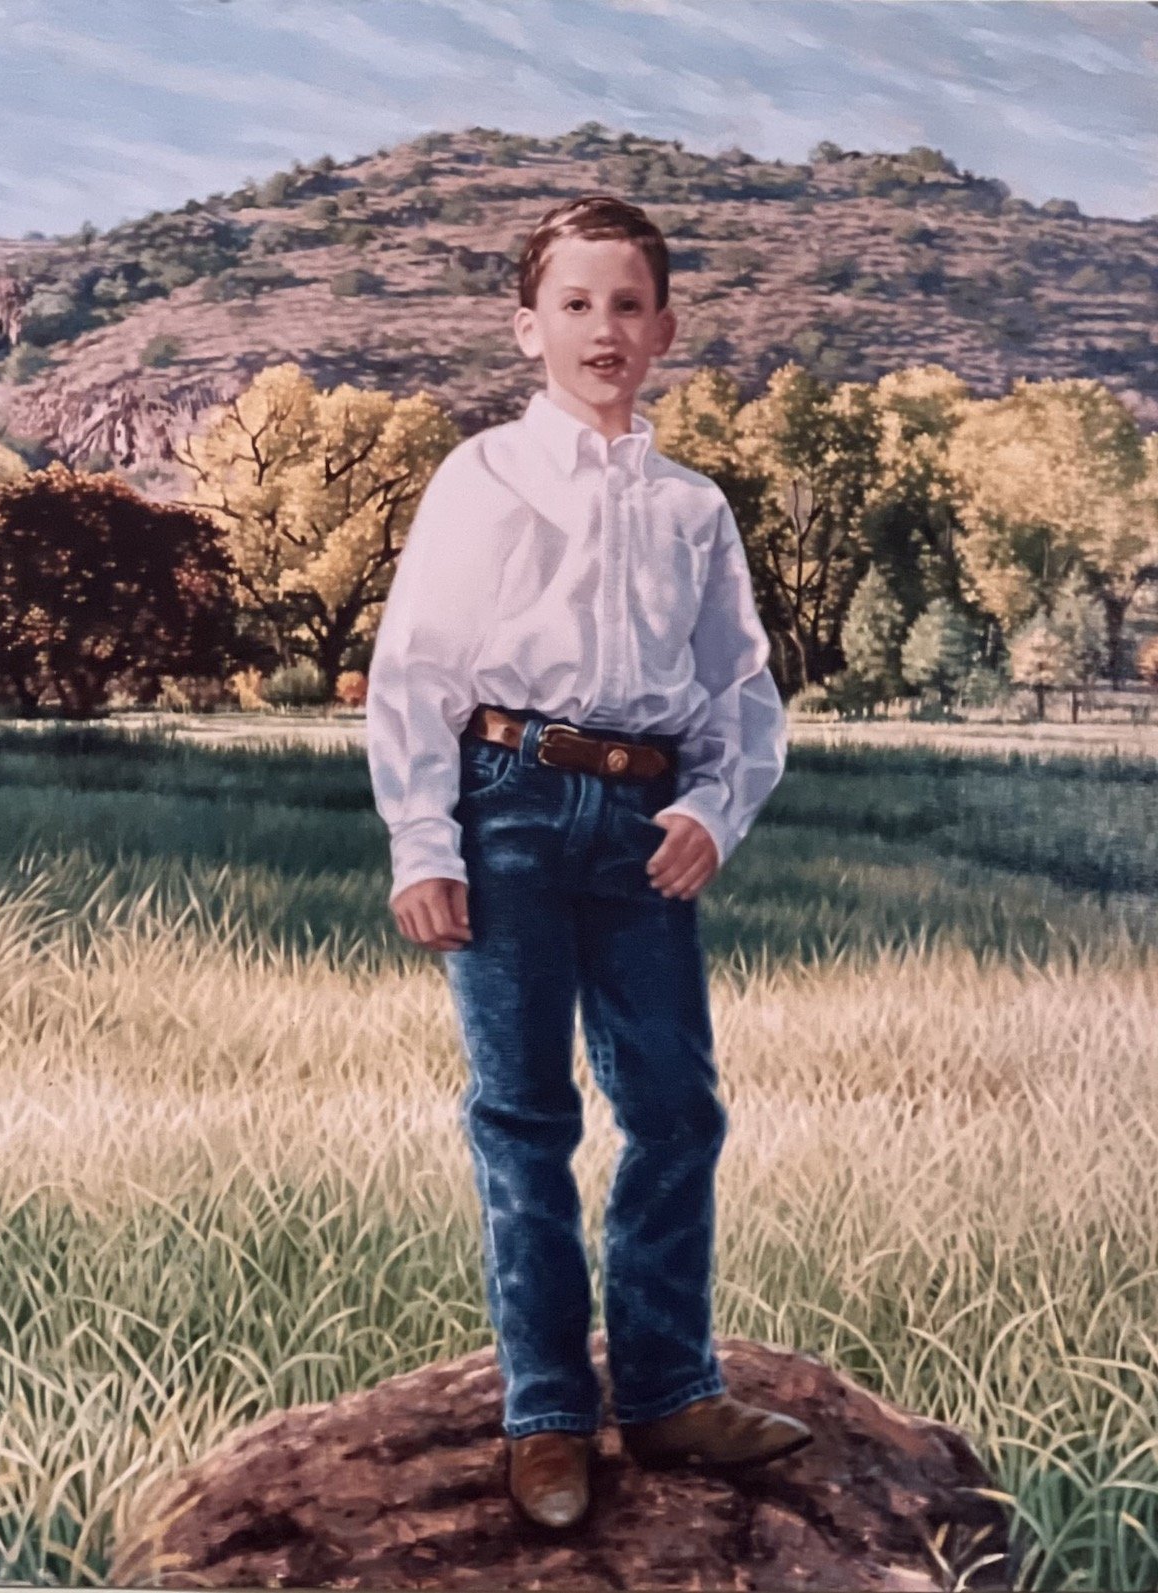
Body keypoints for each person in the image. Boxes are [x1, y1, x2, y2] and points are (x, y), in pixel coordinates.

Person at [364, 193, 812, 1531]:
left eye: (628, 305)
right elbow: (415, 672)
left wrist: (713, 813)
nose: (603, 329)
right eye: (575, 303)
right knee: (523, 1116)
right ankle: (550, 1411)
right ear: (528, 327)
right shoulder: (483, 478)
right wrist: (421, 839)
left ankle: (670, 1384)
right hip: (506, 801)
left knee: (675, 1107)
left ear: (664, 327)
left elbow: (741, 687)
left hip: (641, 824)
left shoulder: (693, 509)